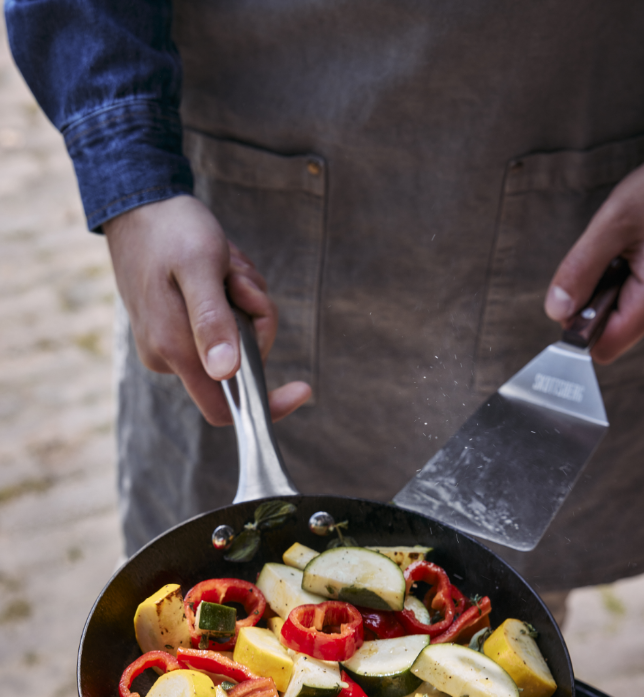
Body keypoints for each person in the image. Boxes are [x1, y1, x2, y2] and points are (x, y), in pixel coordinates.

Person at [6, 0, 644, 617]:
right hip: (238, 197)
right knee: (184, 598)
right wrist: (132, 186)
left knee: (495, 598)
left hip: (570, 191)